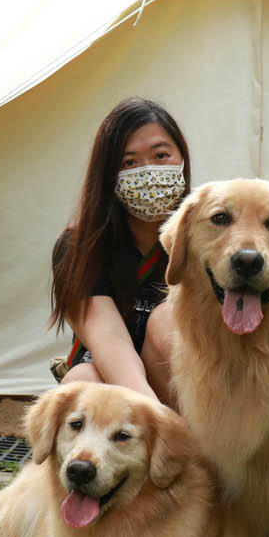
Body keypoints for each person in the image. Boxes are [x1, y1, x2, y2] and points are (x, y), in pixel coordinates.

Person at [50, 97, 189, 405]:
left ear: (182, 158)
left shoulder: (207, 234)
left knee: (166, 321)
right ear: (109, 175)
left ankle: (200, 446)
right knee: (81, 385)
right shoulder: (80, 247)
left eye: (161, 155)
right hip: (112, 373)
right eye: (129, 163)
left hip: (182, 379)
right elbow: (107, 337)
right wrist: (154, 417)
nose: (149, 172)